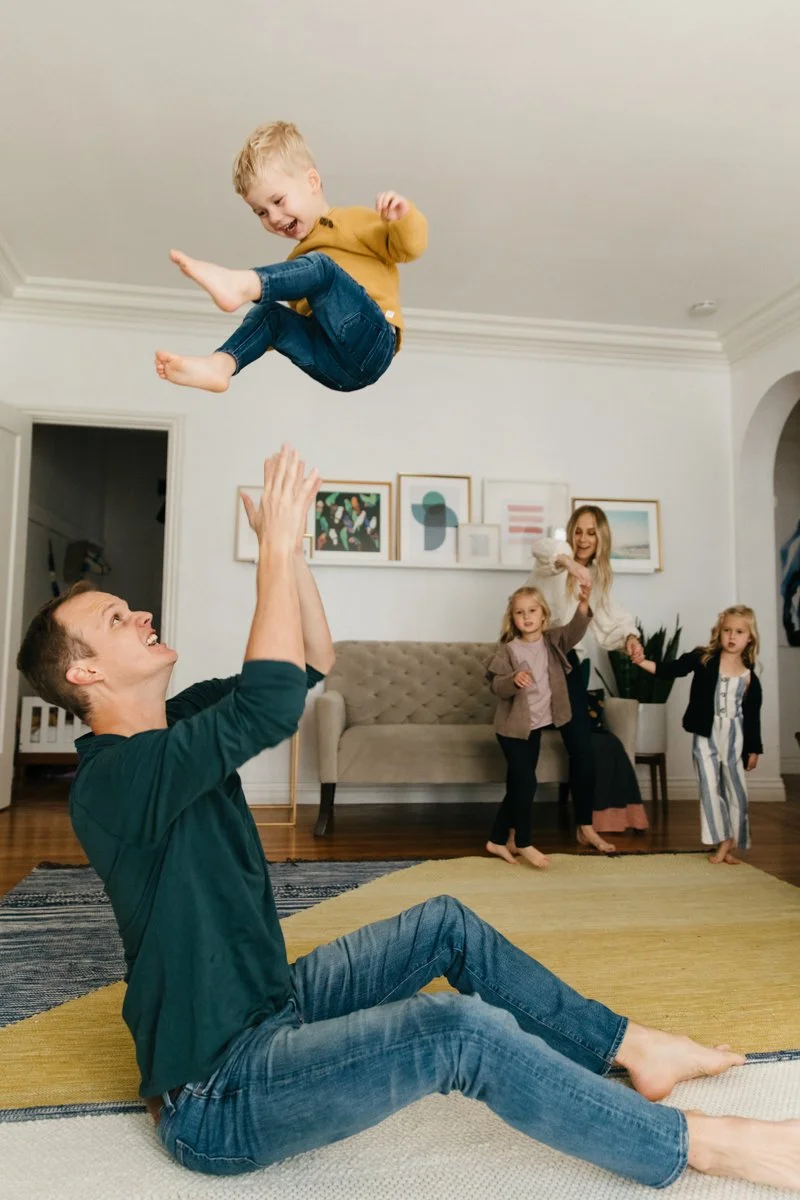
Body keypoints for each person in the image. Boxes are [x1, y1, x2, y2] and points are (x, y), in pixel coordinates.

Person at [15, 449, 800, 1192]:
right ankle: (698, 1143)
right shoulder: (111, 782)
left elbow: (314, 663)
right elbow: (268, 701)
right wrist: (276, 557)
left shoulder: (177, 721)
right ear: (85, 672)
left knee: (446, 924)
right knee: (455, 1032)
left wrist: (292, 558)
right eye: (118, 618)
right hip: (217, 1092)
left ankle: (633, 1047)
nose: (141, 613)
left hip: (269, 1005)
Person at [154, 121, 427, 394]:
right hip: (335, 368)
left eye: (278, 201)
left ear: (312, 182)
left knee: (321, 269)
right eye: (260, 212)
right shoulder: (300, 266)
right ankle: (221, 365)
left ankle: (243, 284)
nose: (272, 217)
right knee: (269, 312)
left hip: (373, 339)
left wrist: (403, 217)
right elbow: (279, 330)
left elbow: (409, 247)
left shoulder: (351, 222)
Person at [526, 505, 647, 840]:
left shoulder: (598, 580)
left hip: (568, 666)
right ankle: (512, 833)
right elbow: (543, 547)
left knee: (582, 746)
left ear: (601, 537)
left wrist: (632, 639)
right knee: (526, 749)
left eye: (591, 532)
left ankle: (586, 827)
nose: (583, 538)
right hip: (534, 661)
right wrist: (569, 563)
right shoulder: (551, 562)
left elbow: (612, 621)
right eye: (578, 530)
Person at [484, 584, 604, 867]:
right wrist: (513, 680)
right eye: (519, 613)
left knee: (519, 785)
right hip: (513, 730)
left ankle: (496, 839)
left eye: (532, 611)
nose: (526, 617)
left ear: (543, 615)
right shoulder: (508, 650)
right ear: (512, 618)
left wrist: (584, 604)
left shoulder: (554, 640)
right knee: (527, 782)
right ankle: (524, 842)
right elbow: (496, 686)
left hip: (535, 727)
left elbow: (576, 629)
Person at [634, 606, 762, 865]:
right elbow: (671, 670)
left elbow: (753, 716)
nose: (732, 636)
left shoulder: (750, 676)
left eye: (739, 632)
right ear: (719, 632)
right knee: (709, 786)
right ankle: (721, 839)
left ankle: (734, 837)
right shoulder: (703, 658)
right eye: (727, 630)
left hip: (735, 735)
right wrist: (640, 662)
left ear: (750, 637)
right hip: (706, 733)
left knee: (736, 789)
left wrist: (754, 749)